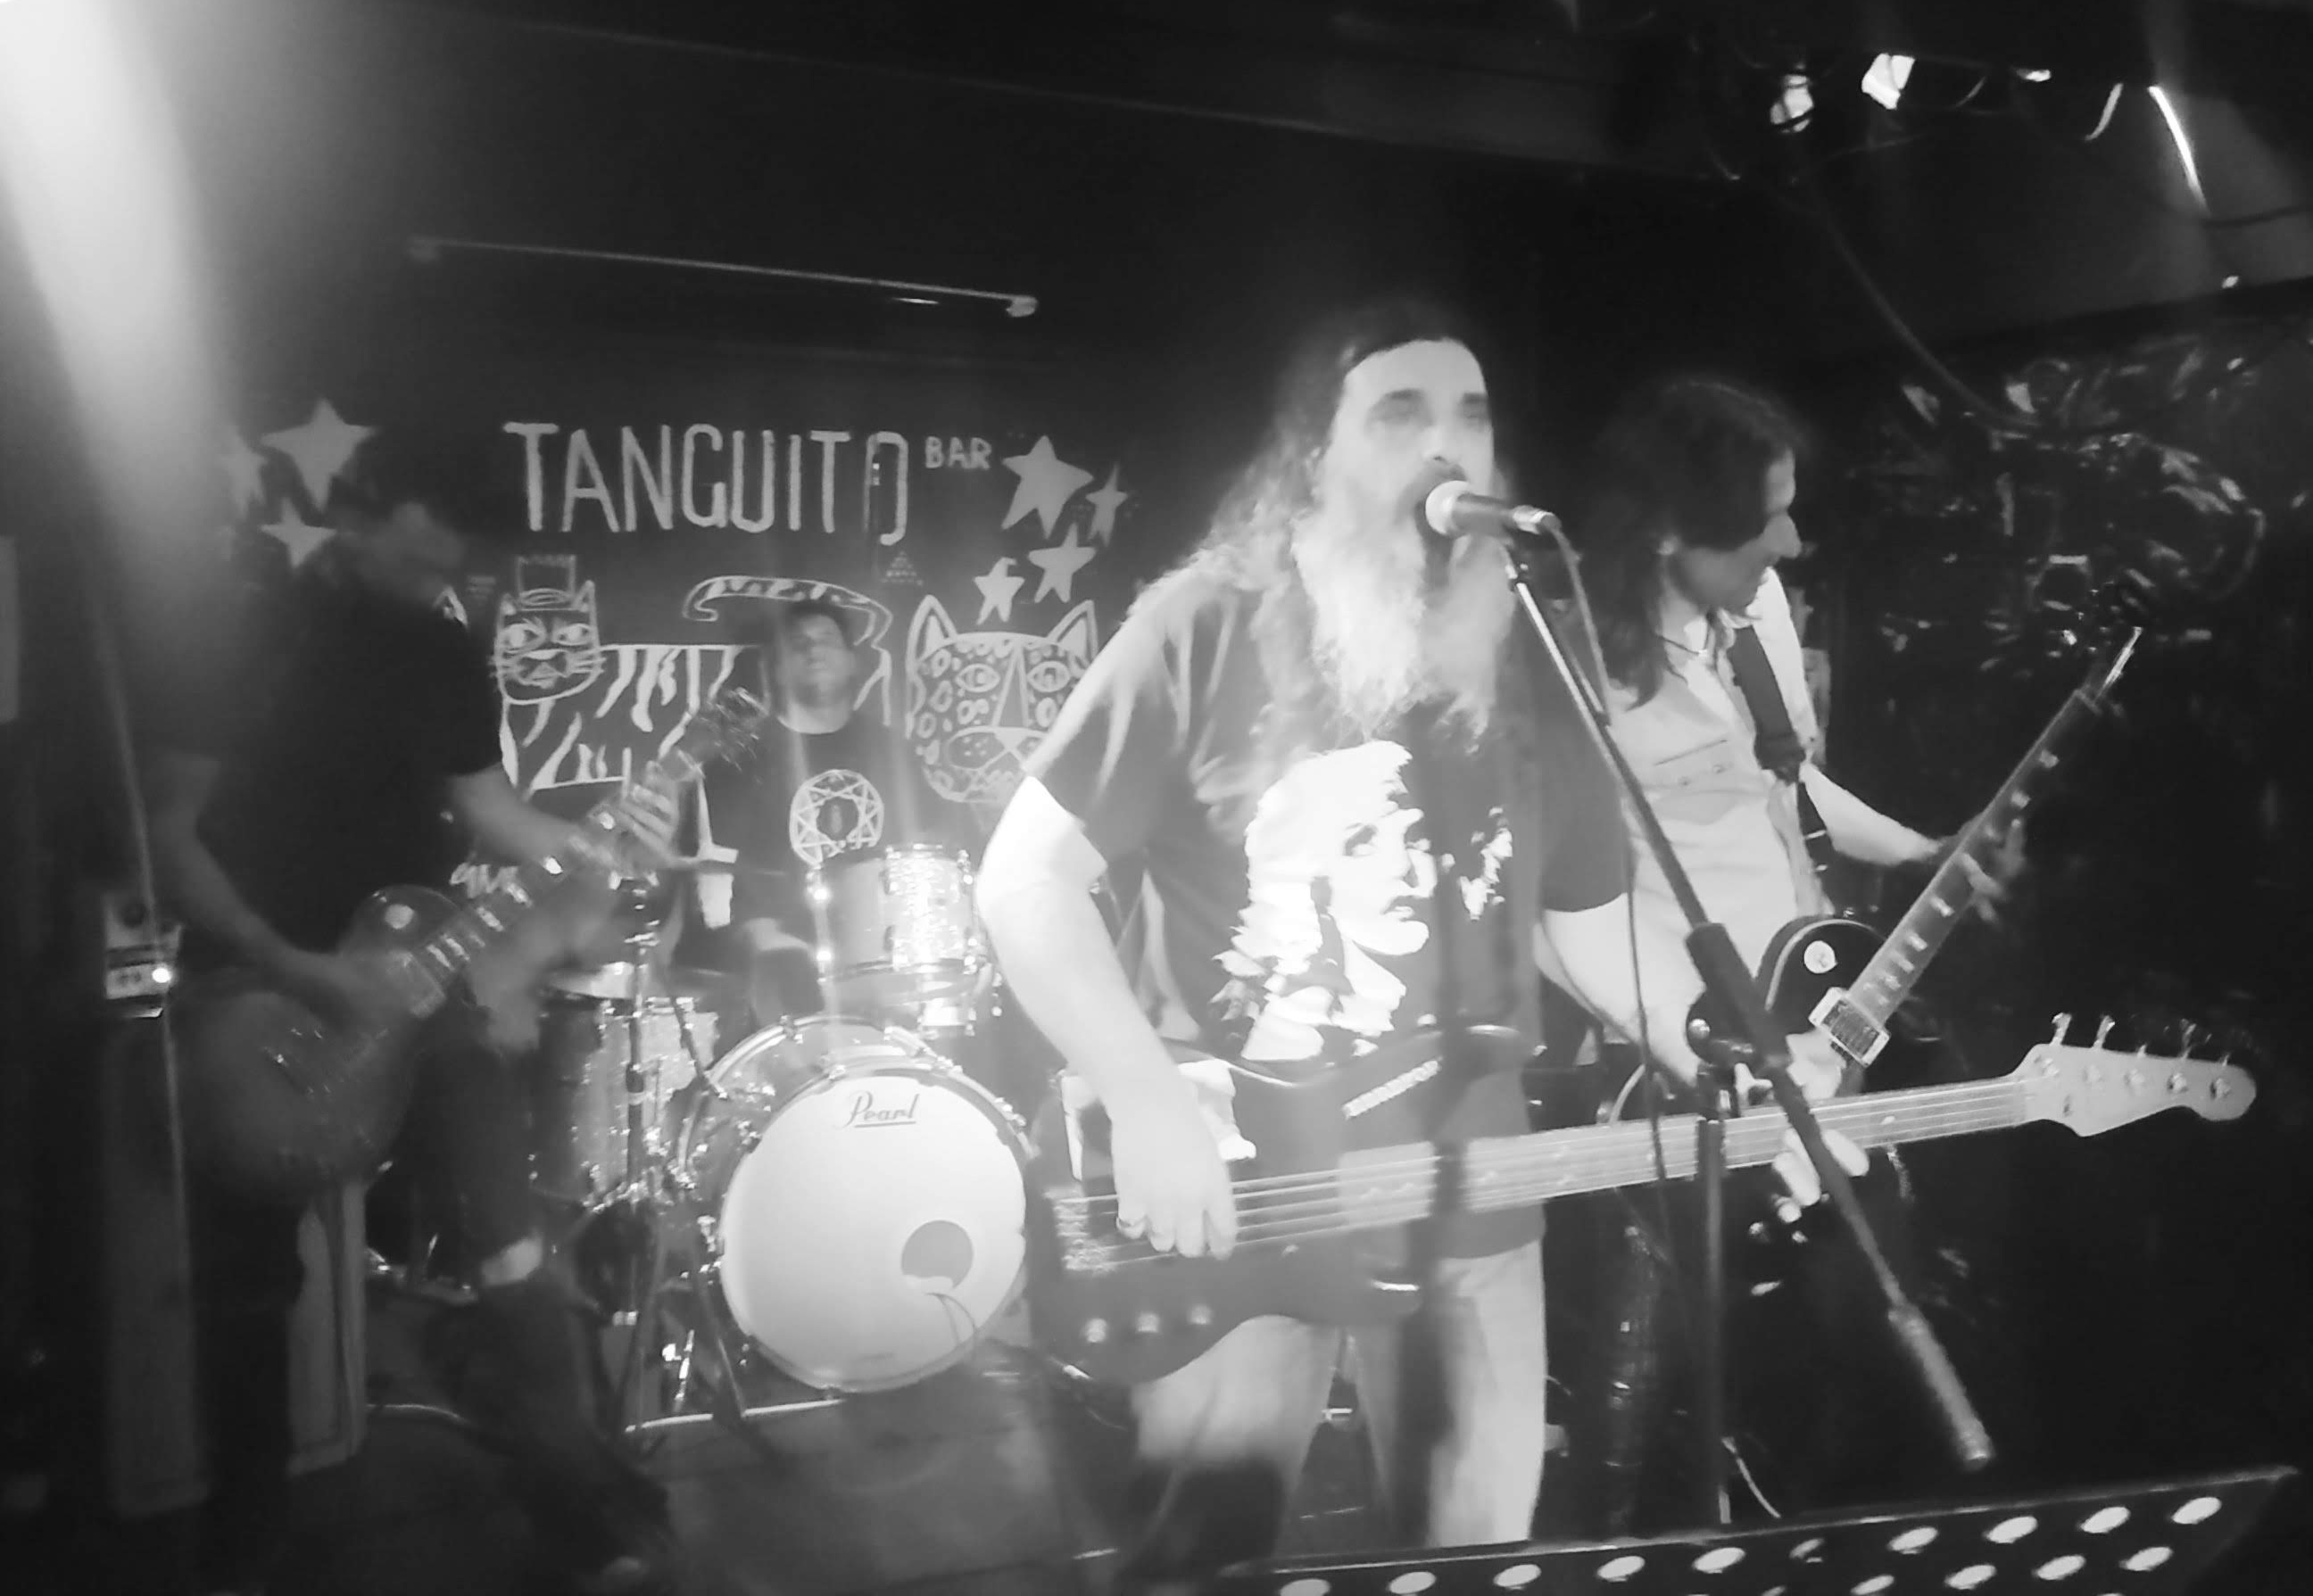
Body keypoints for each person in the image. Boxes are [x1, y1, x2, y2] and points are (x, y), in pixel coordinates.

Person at [976, 297, 1652, 1586]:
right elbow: (1025, 879)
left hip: (1469, 1204)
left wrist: (1743, 1050)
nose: (1447, 444)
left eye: (1471, 414)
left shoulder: (1529, 655)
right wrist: (1144, 1098)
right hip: (1238, 1204)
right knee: (1200, 1561)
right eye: (1400, 413)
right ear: (1314, 458)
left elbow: (1589, 928)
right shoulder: (1199, 627)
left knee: (1477, 1559)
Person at [144, 429, 676, 1595]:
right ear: (360, 513)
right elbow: (168, 832)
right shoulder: (237, 632)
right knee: (248, 1287)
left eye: (461, 546)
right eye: (426, 534)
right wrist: (289, 963)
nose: (447, 562)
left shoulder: (444, 651)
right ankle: (246, 1532)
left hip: (419, 980)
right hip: (259, 989)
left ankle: (579, 1512)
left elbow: (490, 813)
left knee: (514, 1250)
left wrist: (599, 840)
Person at [1538, 372, 2010, 1526]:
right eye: (1763, 520)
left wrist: (1920, 848)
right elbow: (1555, 915)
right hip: (1682, 1070)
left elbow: (1788, 786)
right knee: (1635, 1423)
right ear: (1667, 529)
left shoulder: (1758, 619)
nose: (1791, 542)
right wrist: (1701, 1045)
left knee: (1859, 1359)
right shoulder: (1573, 669)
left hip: (1818, 1041)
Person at [690, 597, 955, 1032]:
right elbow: (719, 885)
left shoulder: (892, 751)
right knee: (786, 974)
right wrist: (776, 946)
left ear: (852, 662)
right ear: (777, 670)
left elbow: (926, 857)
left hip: (884, 953)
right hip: (782, 949)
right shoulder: (740, 758)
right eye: (798, 643)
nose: (813, 649)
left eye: (826, 639)